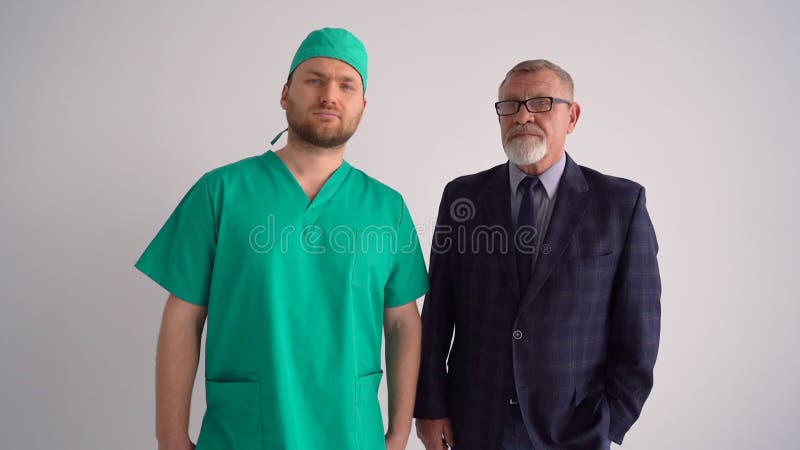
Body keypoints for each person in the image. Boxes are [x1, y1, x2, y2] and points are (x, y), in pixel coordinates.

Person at [136, 27, 429, 450]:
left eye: (346, 85)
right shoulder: (221, 192)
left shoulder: (387, 208)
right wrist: (170, 436)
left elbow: (403, 322)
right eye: (314, 80)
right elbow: (184, 315)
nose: (330, 94)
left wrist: (398, 435)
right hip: (246, 432)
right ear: (285, 93)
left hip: (351, 433)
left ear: (361, 107)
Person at [414, 59, 661, 450]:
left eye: (541, 102)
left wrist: (612, 420)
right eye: (510, 105)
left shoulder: (619, 205)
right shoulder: (463, 197)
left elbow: (639, 329)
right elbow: (439, 311)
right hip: (475, 421)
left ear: (572, 117)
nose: (523, 115)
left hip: (575, 428)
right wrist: (429, 406)